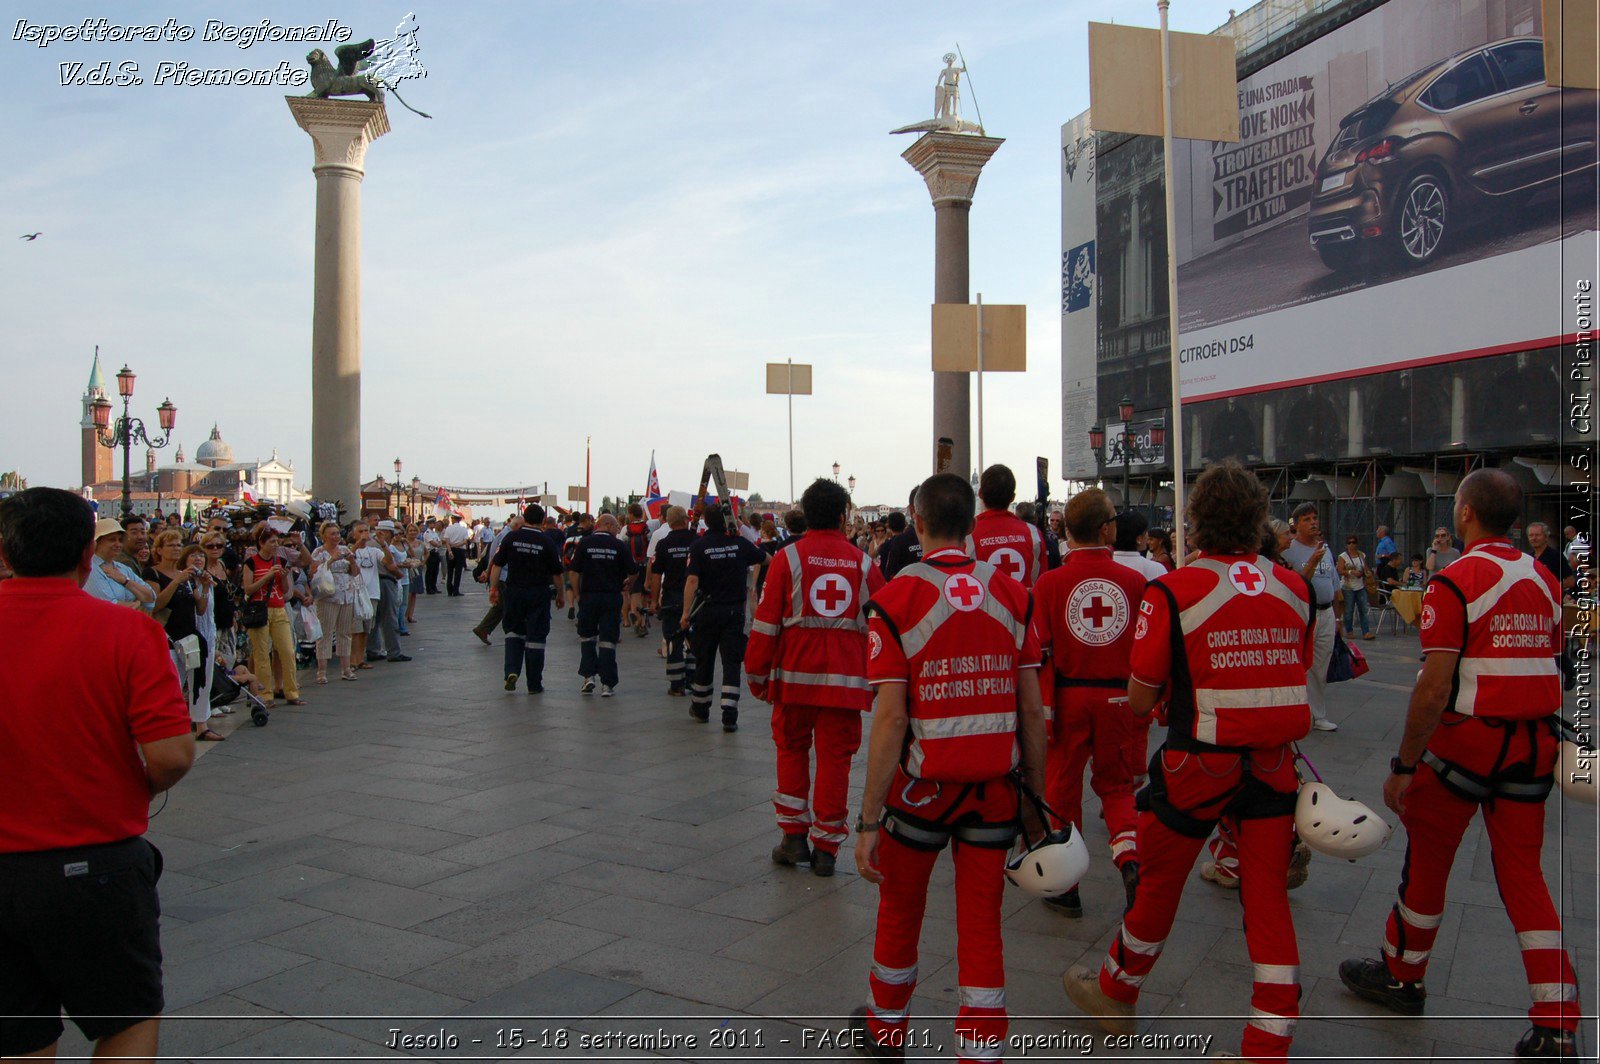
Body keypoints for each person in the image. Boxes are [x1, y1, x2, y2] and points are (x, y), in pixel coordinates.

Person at [1063, 460, 1313, 1062]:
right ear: (1258, 521)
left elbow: (1144, 692)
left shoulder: (1174, 590)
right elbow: (1294, 669)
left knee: (1156, 881)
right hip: (1275, 769)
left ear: (1197, 522)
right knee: (1267, 902)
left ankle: (1117, 991)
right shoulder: (1293, 587)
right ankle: (1268, 1044)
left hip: (1197, 766)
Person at [1340, 469, 1578, 1061]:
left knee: (1428, 865)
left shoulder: (1457, 580)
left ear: (1466, 513)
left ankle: (1403, 975)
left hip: (1465, 745)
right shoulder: (1545, 579)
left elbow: (1432, 688)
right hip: (1533, 745)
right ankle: (1558, 1022)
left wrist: (1403, 763)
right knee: (1525, 876)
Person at [852, 472, 1047, 1060]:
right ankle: (980, 1053)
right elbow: (1033, 713)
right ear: (971, 525)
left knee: (900, 910)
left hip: (920, 792)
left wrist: (866, 823)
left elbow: (889, 722)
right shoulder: (1014, 595)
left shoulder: (895, 599)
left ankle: (887, 1032)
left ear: (916, 522)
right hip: (993, 789)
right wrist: (1036, 807)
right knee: (982, 924)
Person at [0, 487, 194, 1063]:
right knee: (126, 1020)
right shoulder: (126, 632)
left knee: (18, 1038)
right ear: (89, 556)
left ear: (5, 553)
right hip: (94, 864)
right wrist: (136, 784)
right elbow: (172, 755)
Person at [746, 478, 883, 878]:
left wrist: (756, 675)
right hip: (845, 685)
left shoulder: (788, 559)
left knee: (790, 751)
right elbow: (883, 625)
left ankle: (793, 838)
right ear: (843, 516)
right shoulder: (864, 564)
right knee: (835, 761)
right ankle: (826, 847)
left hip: (793, 682)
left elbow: (766, 624)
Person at [1030, 488, 1145, 917]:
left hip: (1068, 697)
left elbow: (1037, 651)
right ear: (1105, 529)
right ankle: (1130, 860)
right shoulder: (1135, 583)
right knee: (1117, 788)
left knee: (1063, 790)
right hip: (1119, 697)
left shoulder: (1050, 582)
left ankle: (1066, 885)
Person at [681, 506, 767, 730]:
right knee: (731, 662)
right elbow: (767, 559)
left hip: (707, 610)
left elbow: (692, 582)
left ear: (707, 523)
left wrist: (685, 613)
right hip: (733, 612)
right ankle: (730, 714)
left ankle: (700, 708)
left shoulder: (699, 546)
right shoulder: (739, 544)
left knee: (704, 659)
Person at [144, 532, 216, 741]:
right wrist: (176, 581)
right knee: (172, 684)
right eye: (171, 545)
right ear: (159, 550)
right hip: (168, 638)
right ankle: (169, 726)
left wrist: (203, 587)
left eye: (178, 545)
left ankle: (201, 724)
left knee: (199, 680)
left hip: (190, 636)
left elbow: (200, 609)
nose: (176, 548)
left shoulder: (186, 575)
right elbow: (155, 604)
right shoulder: (153, 573)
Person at [489, 505, 565, 693]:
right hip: (538, 593)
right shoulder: (546, 541)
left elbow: (497, 565)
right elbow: (557, 573)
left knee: (514, 632)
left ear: (524, 517)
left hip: (514, 591)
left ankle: (512, 670)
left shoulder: (511, 537)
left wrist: (493, 588)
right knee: (536, 638)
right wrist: (560, 594)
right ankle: (534, 683)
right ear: (542, 520)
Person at [1281, 502, 1339, 731]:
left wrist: (1339, 618)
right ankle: (1298, 709)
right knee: (1299, 664)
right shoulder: (1290, 550)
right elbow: (1295, 584)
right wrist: (1312, 561)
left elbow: (1334, 584)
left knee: (1321, 665)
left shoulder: (1325, 548)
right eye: (1307, 519)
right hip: (1303, 612)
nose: (1313, 522)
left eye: (1314, 518)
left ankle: (1319, 713)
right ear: (1297, 524)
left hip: (1326, 611)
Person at [569, 512, 637, 697]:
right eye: (616, 527)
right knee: (608, 640)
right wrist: (628, 583)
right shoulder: (619, 545)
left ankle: (588, 677)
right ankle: (607, 684)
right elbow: (633, 570)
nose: (617, 530)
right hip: (611, 597)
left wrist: (576, 594)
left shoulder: (584, 543)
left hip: (589, 597)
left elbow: (573, 572)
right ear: (607, 525)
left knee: (587, 637)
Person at [241, 524, 305, 707]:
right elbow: (248, 589)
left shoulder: (281, 561)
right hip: (259, 609)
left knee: (287, 651)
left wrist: (283, 577)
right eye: (272, 541)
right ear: (261, 543)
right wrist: (267, 576)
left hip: (279, 608)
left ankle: (291, 692)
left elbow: (284, 590)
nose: (276, 544)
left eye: (277, 541)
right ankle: (265, 694)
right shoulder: (251, 562)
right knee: (262, 654)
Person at [965, 464, 1046, 588]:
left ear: (980, 494)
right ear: (1013, 497)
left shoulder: (966, 534)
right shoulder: (1033, 534)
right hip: (1024, 605)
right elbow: (1041, 582)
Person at [650, 507, 698, 696]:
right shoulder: (696, 541)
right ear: (686, 520)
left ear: (668, 522)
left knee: (673, 640)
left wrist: (654, 601)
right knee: (694, 639)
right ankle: (693, 679)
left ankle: (676, 683)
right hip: (695, 598)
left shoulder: (663, 544)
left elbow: (656, 575)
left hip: (671, 597)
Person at [310, 521, 358, 683]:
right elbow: (314, 571)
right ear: (324, 536)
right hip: (328, 596)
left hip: (346, 595)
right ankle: (322, 671)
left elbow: (355, 572)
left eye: (337, 533)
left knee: (345, 632)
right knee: (325, 633)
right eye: (332, 534)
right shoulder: (319, 552)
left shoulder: (345, 550)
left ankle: (346, 668)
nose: (336, 537)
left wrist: (352, 561)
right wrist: (330, 561)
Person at [85, 519, 156, 608]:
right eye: (112, 540)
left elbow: (151, 598)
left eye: (120, 540)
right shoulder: (90, 569)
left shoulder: (122, 568)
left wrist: (125, 581)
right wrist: (139, 603)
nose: (118, 544)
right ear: (97, 542)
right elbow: (110, 607)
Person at [372, 521, 412, 662]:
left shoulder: (373, 544)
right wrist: (399, 574)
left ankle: (373, 649)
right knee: (389, 617)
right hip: (385, 581)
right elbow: (390, 565)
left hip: (375, 583)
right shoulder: (380, 545)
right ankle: (393, 651)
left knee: (374, 619)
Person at [623, 502, 653, 636]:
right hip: (645, 565)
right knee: (644, 593)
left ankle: (638, 619)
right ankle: (642, 622)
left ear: (631, 514)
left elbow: (623, 546)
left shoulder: (626, 529)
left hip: (632, 565)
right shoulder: (647, 527)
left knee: (634, 594)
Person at [1111, 510, 1167, 582]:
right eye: (1146, 532)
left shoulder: (1103, 567)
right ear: (1138, 539)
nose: (1148, 537)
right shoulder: (1157, 569)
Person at [1338, 534, 1375, 640]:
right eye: (1349, 542)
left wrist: (1367, 574)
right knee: (1349, 610)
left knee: (1363, 609)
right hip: (1348, 587)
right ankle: (1349, 631)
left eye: (1353, 542)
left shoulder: (1361, 555)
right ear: (1346, 545)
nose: (1351, 544)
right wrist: (1351, 572)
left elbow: (1366, 568)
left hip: (1361, 586)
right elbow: (1340, 570)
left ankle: (1366, 632)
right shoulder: (1343, 556)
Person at [441, 513, 471, 595]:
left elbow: (446, 541)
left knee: (450, 571)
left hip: (450, 550)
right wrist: (456, 545)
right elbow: (465, 541)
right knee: (458, 571)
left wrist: (450, 550)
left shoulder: (448, 529)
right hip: (460, 551)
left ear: (453, 519)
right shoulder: (464, 529)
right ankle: (456, 590)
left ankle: (449, 590)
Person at [422, 517, 444, 594]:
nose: (433, 524)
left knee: (435, 571)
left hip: (436, 552)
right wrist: (438, 544)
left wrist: (438, 544)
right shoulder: (427, 533)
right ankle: (429, 588)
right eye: (431, 523)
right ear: (428, 524)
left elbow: (440, 542)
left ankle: (434, 586)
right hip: (430, 553)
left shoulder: (434, 533)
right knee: (430, 571)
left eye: (434, 523)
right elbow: (433, 543)